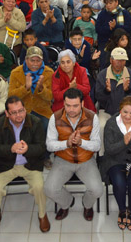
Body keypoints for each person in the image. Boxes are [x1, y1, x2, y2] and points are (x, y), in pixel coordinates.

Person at [0, 95, 50, 234]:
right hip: (6, 166)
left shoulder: (35, 122)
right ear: (6, 113)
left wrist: (28, 149)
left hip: (30, 164)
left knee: (39, 186)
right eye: (14, 112)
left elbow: (41, 147)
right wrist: (10, 149)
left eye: (21, 110)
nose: (19, 115)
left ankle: (42, 215)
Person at [44, 88, 102, 221]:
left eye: (75, 106)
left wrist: (81, 143)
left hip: (86, 159)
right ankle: (67, 203)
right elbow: (50, 145)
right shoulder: (55, 117)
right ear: (63, 103)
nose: (71, 109)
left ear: (82, 104)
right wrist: (66, 144)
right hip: (64, 159)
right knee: (49, 189)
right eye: (68, 105)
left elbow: (97, 145)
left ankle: (87, 205)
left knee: (98, 190)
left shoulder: (93, 117)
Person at [99, 96, 131, 230]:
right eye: (125, 112)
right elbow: (109, 149)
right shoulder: (111, 123)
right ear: (120, 110)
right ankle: (122, 210)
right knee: (119, 182)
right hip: (115, 159)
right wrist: (124, 142)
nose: (127, 116)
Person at [95, 47, 131, 134]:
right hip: (106, 111)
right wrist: (106, 91)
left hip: (127, 112)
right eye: (117, 60)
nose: (120, 63)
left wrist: (127, 90)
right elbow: (99, 98)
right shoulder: (102, 75)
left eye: (123, 60)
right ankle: (103, 148)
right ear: (111, 60)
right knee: (101, 126)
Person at [8, 46, 53, 128]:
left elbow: (50, 97)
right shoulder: (16, 73)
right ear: (26, 60)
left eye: (38, 61)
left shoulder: (49, 72)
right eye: (32, 60)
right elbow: (11, 97)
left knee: (47, 126)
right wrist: (25, 88)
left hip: (42, 112)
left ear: (42, 60)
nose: (35, 64)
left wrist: (41, 89)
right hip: (21, 112)